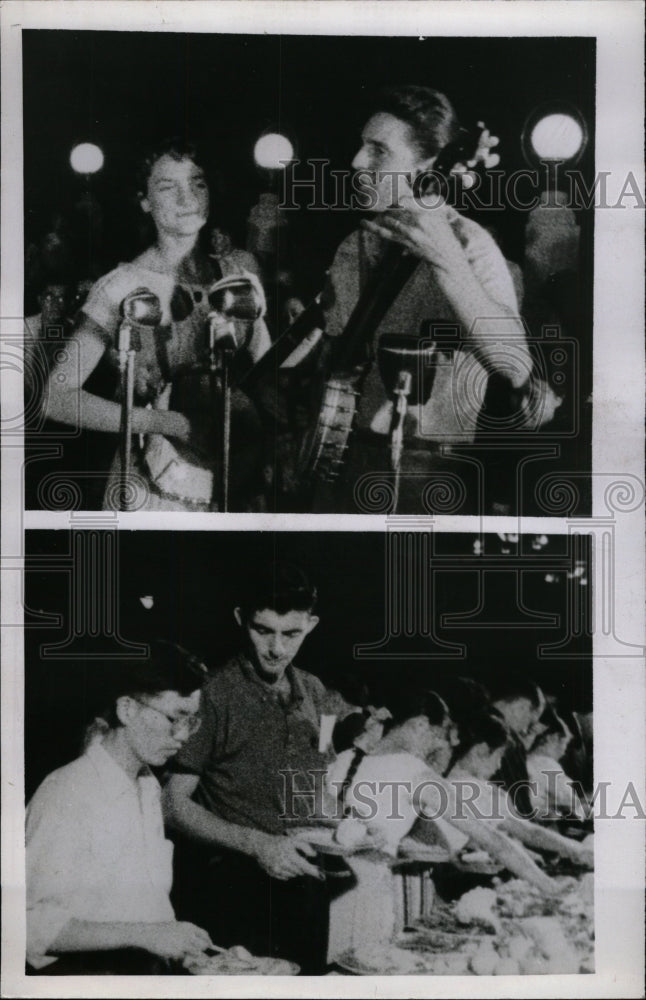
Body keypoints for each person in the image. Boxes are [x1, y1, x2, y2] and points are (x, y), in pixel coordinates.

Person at [305, 85, 534, 514]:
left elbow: (516, 365)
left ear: (428, 166)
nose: (356, 161)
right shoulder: (352, 247)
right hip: (343, 471)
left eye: (378, 151)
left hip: (431, 478)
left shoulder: (471, 246)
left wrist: (448, 262)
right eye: (361, 146)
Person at [42, 138, 270, 511]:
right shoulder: (122, 286)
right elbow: (56, 398)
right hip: (150, 491)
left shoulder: (238, 273)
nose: (188, 198)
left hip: (233, 485)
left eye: (197, 183)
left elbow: (267, 373)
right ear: (145, 201)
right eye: (168, 186)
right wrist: (170, 422)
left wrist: (314, 325)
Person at [163, 562, 364, 974]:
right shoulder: (214, 695)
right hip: (234, 891)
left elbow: (317, 786)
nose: (276, 648)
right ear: (241, 619)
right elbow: (172, 803)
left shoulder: (316, 692)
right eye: (262, 630)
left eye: (291, 633)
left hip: (306, 885)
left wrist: (348, 824)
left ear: (311, 624)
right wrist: (258, 844)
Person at [26, 641, 214, 974]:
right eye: (175, 718)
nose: (183, 736)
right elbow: (27, 924)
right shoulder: (67, 792)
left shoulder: (147, 788)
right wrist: (148, 935)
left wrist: (189, 951)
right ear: (127, 710)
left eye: (191, 722)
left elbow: (148, 910)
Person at [445, 710, 593, 868]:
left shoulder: (469, 783)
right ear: (480, 751)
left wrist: (529, 855)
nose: (499, 766)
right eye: (499, 757)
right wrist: (576, 849)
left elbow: (512, 833)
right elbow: (527, 831)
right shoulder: (467, 787)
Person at [488, 675, 549, 818]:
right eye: (529, 722)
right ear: (522, 706)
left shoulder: (468, 723)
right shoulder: (510, 741)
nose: (525, 730)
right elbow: (520, 804)